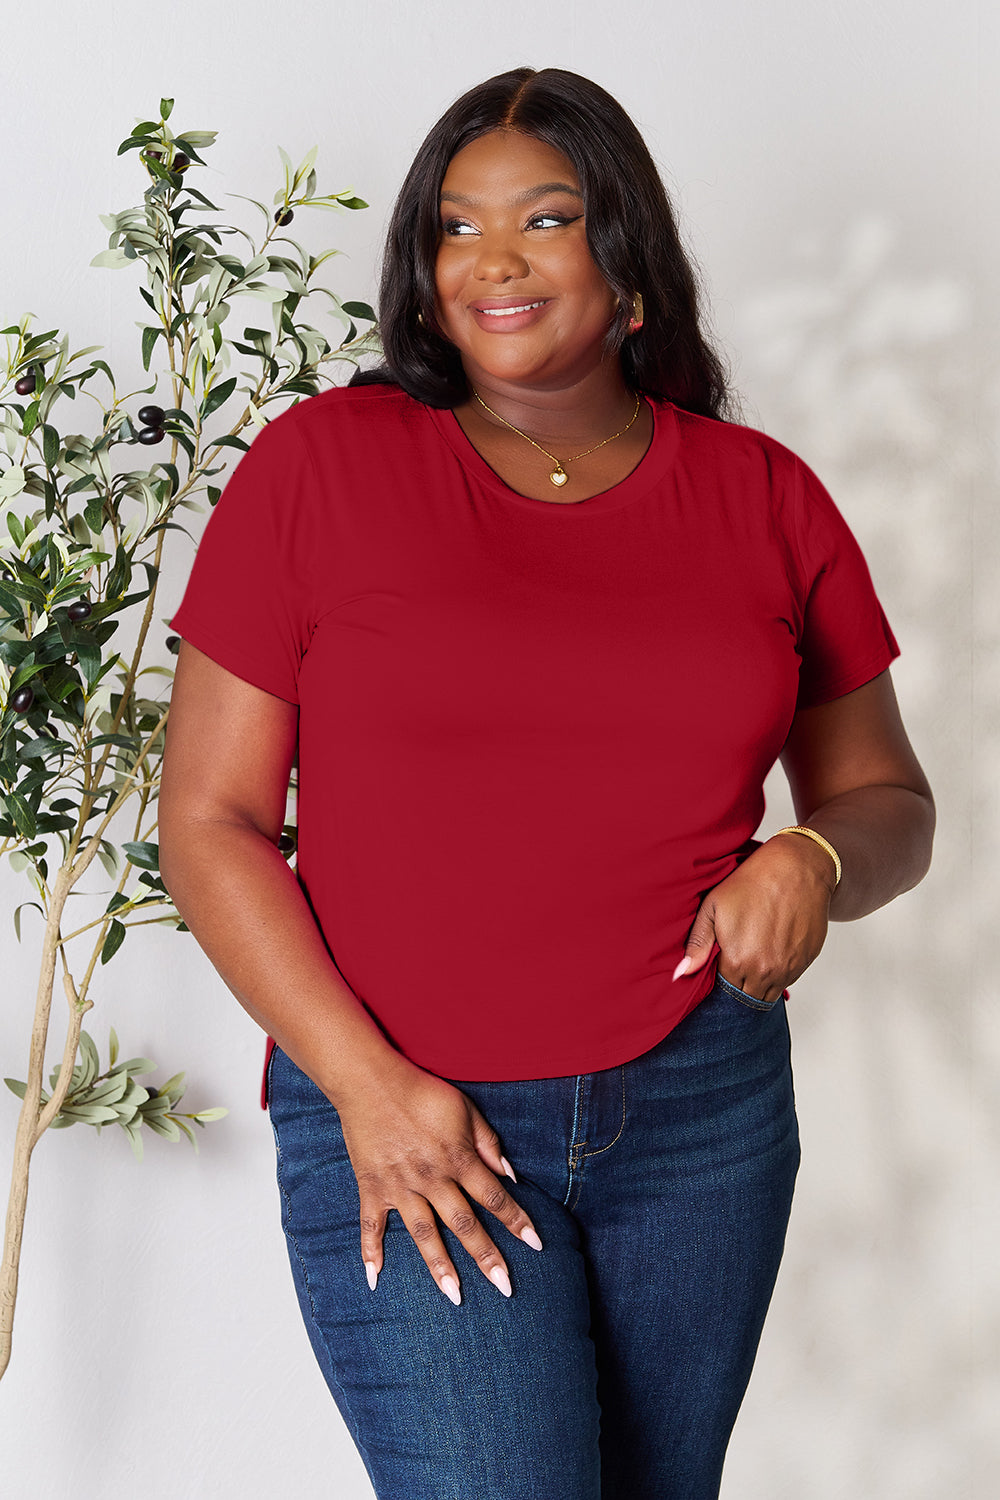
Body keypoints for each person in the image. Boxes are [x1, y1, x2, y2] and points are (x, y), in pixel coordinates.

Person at [159, 66, 934, 1500]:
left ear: (628, 260)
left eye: (547, 217)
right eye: (457, 228)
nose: (494, 260)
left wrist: (809, 864)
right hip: (406, 1109)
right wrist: (368, 1091)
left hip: (698, 1113)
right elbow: (206, 824)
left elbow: (889, 798)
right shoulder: (323, 467)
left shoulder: (763, 498)